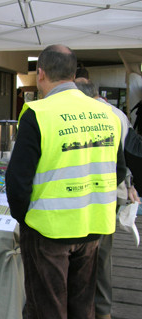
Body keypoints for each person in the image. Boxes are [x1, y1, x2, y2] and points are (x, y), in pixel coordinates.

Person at [5, 44, 127, 319]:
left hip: (48, 229)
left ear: (41, 74)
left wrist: (25, 219)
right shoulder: (107, 114)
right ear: (73, 74)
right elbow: (118, 170)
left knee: (47, 307)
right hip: (93, 225)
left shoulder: (38, 112)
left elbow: (17, 180)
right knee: (83, 305)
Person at [75, 77, 140, 319]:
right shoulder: (116, 115)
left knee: (93, 254)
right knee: (101, 255)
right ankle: (102, 310)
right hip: (109, 193)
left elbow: (121, 159)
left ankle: (93, 309)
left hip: (93, 194)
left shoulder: (90, 115)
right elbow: (126, 158)